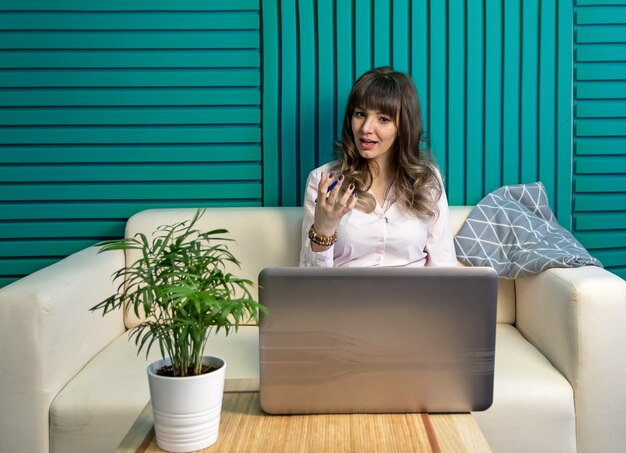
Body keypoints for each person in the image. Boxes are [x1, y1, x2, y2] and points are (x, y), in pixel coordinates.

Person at [299, 66, 457, 268]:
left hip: (413, 298)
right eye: (360, 114)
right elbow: (308, 284)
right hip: (343, 298)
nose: (365, 128)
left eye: (383, 119)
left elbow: (444, 268)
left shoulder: (427, 181)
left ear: (404, 126)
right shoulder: (323, 180)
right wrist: (323, 231)